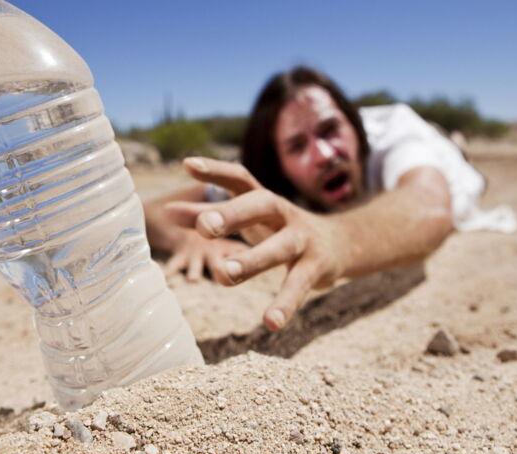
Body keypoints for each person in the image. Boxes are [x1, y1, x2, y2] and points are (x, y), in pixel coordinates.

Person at [144, 66, 491, 332]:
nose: (325, 154)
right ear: (278, 165)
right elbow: (149, 212)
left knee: (456, 161)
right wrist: (186, 239)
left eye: (330, 130)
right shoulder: (262, 178)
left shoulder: (395, 134)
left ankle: (455, 144)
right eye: (297, 146)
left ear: (354, 126)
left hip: (438, 156)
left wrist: (333, 239)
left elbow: (429, 204)